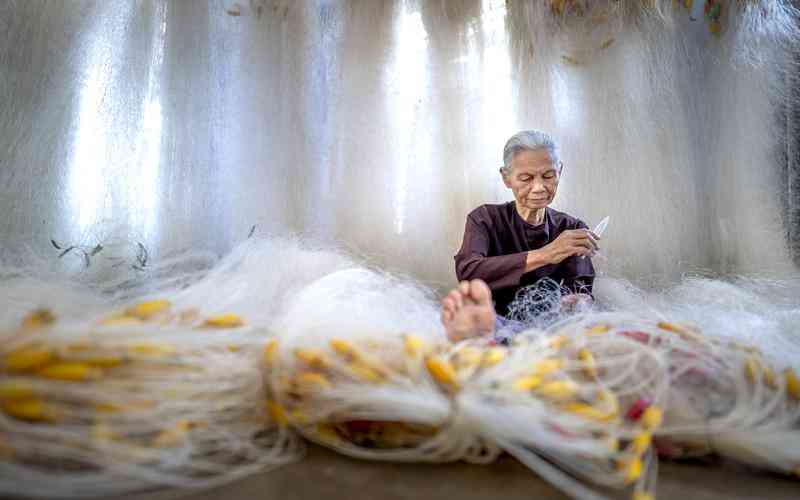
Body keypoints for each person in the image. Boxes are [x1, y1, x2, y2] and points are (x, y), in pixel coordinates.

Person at [446, 130, 599, 342]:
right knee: (490, 324)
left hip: (553, 330)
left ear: (560, 171)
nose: (538, 188)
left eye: (548, 176)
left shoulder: (572, 229)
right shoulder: (484, 219)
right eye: (526, 178)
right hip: (497, 321)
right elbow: (468, 271)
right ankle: (486, 325)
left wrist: (578, 301)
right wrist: (546, 254)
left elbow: (581, 290)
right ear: (506, 178)